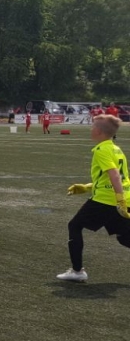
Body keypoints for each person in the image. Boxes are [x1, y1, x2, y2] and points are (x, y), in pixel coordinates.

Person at [57, 114, 130, 282]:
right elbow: (116, 178)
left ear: (98, 131)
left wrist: (119, 200)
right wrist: (87, 187)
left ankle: (77, 271)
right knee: (124, 237)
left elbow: (114, 175)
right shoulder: (116, 149)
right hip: (122, 199)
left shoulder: (101, 150)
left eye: (92, 127)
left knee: (75, 226)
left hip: (106, 201)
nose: (91, 129)